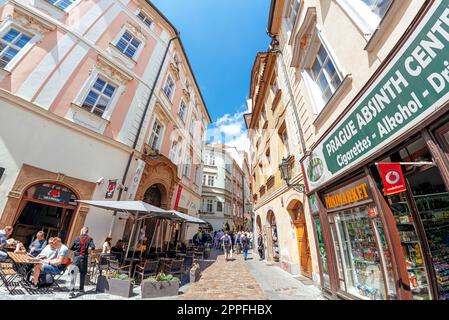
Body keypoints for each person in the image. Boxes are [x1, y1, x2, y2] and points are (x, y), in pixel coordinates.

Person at [69, 226, 95, 297]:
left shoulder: (77, 238)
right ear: (87, 232)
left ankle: (71, 292)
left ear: (82, 231)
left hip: (76, 258)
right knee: (82, 274)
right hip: (84, 258)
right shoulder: (90, 238)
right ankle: (81, 289)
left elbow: (71, 247)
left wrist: (77, 248)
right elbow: (93, 247)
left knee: (73, 274)